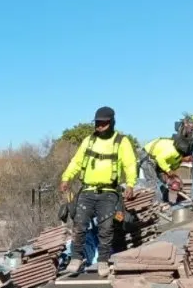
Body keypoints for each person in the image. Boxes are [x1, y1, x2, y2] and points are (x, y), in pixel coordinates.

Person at [58, 106, 138, 276]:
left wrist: (131, 184)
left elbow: (130, 164)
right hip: (87, 191)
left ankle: (103, 260)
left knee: (106, 228)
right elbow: (76, 161)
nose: (100, 127)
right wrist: (66, 177)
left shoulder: (121, 141)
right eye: (97, 123)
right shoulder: (89, 141)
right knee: (79, 224)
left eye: (104, 123)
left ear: (112, 123)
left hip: (109, 192)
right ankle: (76, 258)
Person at [142, 136, 184, 202]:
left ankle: (164, 200)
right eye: (190, 158)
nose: (190, 160)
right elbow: (160, 159)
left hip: (156, 159)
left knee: (162, 181)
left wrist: (170, 176)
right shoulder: (174, 151)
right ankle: (156, 203)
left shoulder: (178, 158)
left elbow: (169, 168)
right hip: (148, 156)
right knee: (153, 183)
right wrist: (168, 170)